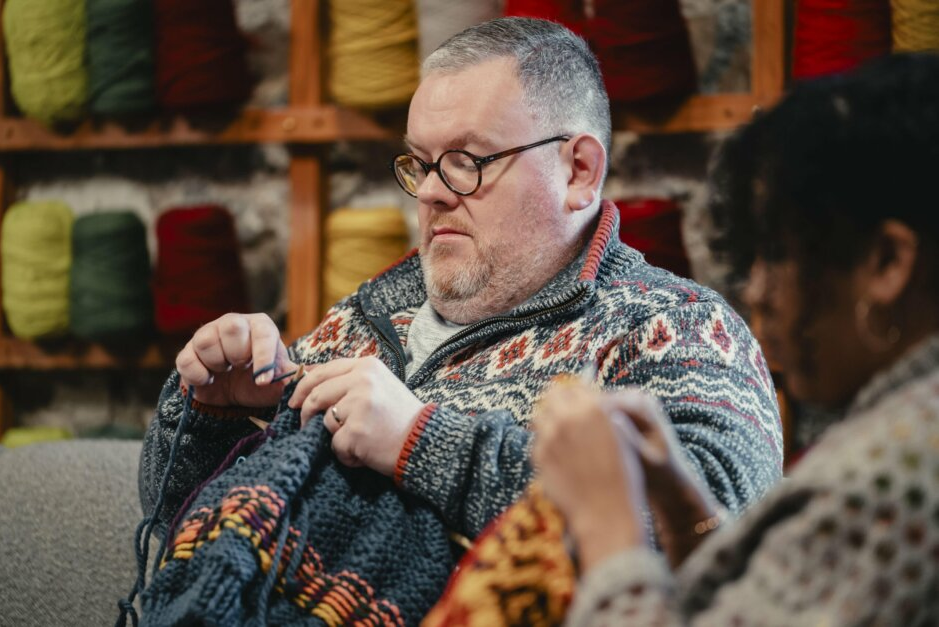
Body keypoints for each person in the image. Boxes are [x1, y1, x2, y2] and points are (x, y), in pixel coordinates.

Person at [140, 17, 781, 554]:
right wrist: (211, 416)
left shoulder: (679, 330)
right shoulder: (361, 321)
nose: (433, 192)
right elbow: (179, 532)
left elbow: (720, 544)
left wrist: (420, 442)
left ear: (580, 172)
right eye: (420, 163)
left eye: (468, 161)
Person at [534, 53, 939, 626]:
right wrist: (684, 510)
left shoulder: (891, 483)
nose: (757, 292)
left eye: (776, 255)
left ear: (888, 262)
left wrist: (609, 527)